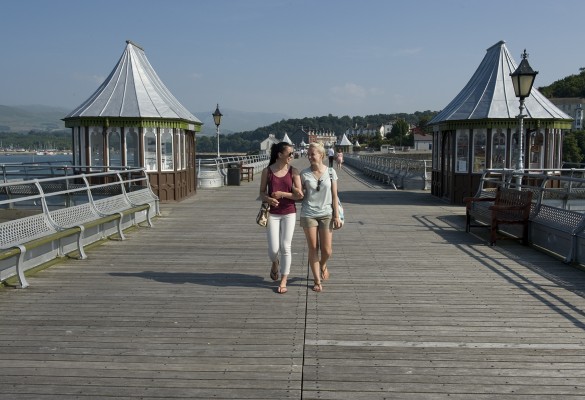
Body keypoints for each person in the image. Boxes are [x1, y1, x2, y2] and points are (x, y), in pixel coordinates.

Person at [259, 142, 303, 294]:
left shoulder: (294, 171)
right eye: (290, 153)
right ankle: (275, 262)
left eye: (293, 153)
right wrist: (269, 199)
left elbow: (299, 196)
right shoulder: (267, 171)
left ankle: (284, 279)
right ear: (279, 155)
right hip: (273, 213)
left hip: (289, 211)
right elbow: (261, 193)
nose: (292, 156)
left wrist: (283, 194)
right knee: (273, 249)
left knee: (286, 246)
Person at [299, 142, 342, 292]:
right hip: (308, 213)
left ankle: (323, 264)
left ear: (321, 155)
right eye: (308, 154)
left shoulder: (331, 172)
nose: (310, 157)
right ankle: (317, 280)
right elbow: (300, 195)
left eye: (313, 154)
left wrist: (336, 215)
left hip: (326, 214)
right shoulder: (303, 174)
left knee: (327, 250)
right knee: (313, 248)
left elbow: (335, 196)